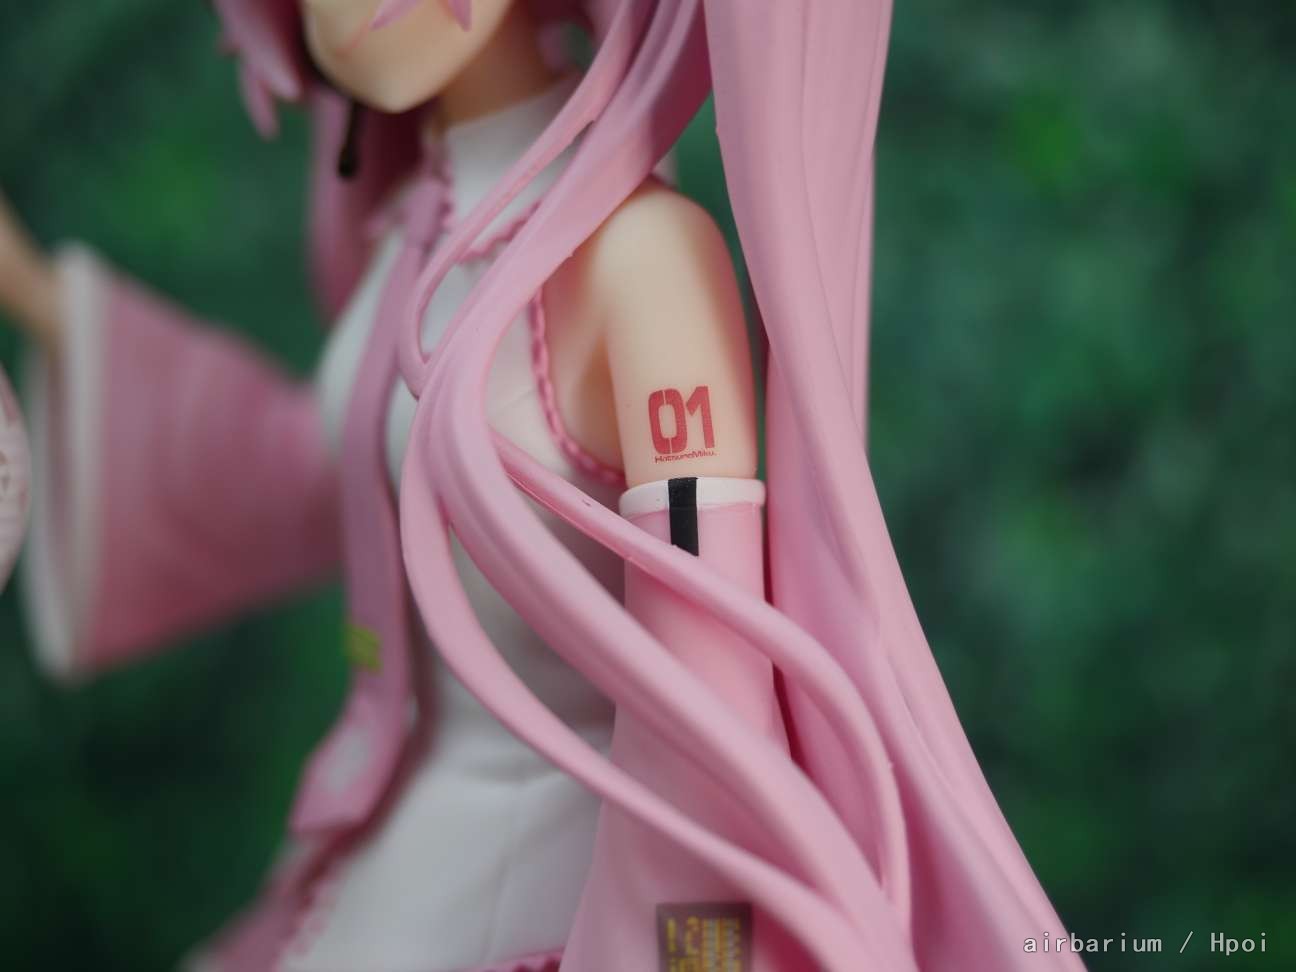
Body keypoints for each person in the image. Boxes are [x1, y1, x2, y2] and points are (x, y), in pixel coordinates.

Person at [0, 2, 1085, 969]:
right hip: (396, 847)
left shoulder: (642, 258)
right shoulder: (407, 245)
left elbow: (709, 692)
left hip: (583, 876)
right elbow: (289, 470)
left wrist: (691, 954)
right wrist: (36, 295)